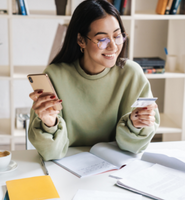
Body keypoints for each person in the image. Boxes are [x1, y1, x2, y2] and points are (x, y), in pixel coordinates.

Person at [28, 0, 160, 161]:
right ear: (81, 40)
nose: (113, 47)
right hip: (66, 167)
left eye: (117, 36)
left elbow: (133, 149)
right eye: (102, 39)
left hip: (116, 166)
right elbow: (52, 153)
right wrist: (49, 124)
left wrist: (136, 125)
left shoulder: (132, 74)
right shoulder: (55, 75)